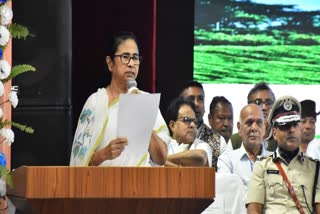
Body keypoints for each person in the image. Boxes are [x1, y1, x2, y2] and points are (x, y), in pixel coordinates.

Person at [70, 31, 169, 166]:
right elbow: (78, 162)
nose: (131, 64)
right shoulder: (96, 102)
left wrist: (144, 118)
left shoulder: (146, 101)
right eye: (125, 57)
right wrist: (104, 154)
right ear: (110, 63)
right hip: (103, 183)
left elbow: (161, 158)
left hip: (140, 184)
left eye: (135, 58)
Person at [246, 96, 320, 213]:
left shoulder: (315, 168)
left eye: (295, 124)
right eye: (285, 126)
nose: (291, 130)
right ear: (274, 133)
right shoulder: (262, 166)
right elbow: (253, 209)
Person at [218, 104, 271, 189]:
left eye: (259, 123)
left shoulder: (275, 160)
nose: (254, 128)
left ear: (264, 128)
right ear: (239, 128)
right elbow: (228, 193)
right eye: (249, 123)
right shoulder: (227, 161)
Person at [180, 81, 227, 168]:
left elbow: (225, 177)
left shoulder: (219, 142)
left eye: (200, 99)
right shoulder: (171, 137)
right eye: (191, 99)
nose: (196, 104)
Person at [165, 97, 212, 167]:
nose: (192, 125)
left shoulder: (201, 145)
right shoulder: (164, 144)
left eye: (195, 121)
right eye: (186, 120)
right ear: (172, 126)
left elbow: (201, 157)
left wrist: (163, 160)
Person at [230, 82, 276, 151]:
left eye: (268, 102)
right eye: (258, 102)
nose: (264, 107)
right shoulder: (235, 141)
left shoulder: (281, 138)